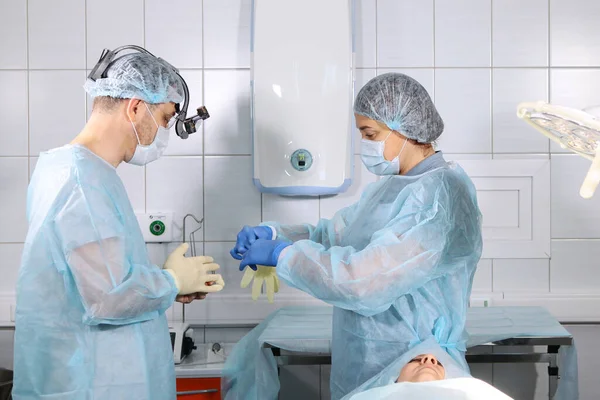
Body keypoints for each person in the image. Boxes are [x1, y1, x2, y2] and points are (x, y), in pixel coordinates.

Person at [230, 72, 483, 399]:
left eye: (370, 133)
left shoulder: (437, 199)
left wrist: (282, 255)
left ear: (404, 128)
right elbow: (334, 235)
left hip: (417, 369)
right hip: (367, 367)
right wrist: (275, 233)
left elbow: (364, 281)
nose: (365, 144)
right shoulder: (393, 188)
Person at [12, 50, 224, 399]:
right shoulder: (81, 181)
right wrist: (171, 280)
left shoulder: (80, 173)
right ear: (136, 107)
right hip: (89, 384)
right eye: (166, 118)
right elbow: (107, 299)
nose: (165, 132)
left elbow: (97, 278)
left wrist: (169, 284)